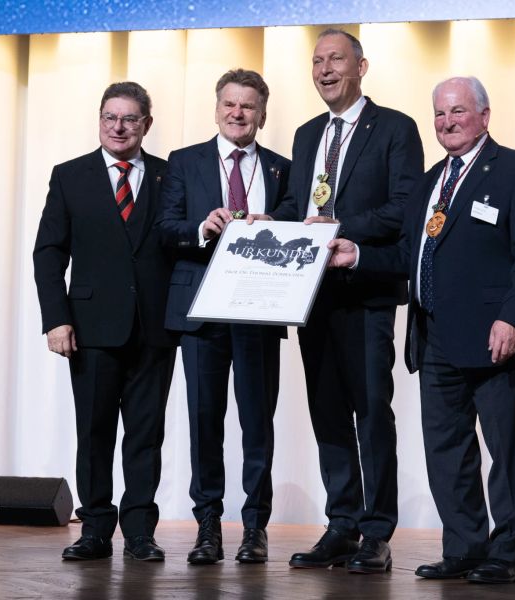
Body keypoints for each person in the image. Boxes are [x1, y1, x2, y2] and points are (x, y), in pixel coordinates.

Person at [328, 76, 515, 584]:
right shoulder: (431, 181)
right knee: (447, 451)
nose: (447, 122)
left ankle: (507, 553)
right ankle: (465, 547)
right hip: (435, 341)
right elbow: (410, 255)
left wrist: (514, 318)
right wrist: (358, 254)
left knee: (506, 451)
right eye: (439, 114)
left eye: (457, 112)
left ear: (484, 115)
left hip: (499, 340)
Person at [256, 29, 424, 574]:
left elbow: (404, 208)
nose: (325, 70)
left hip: (366, 294)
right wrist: (267, 222)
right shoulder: (307, 135)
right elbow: (294, 205)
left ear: (362, 67)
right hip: (311, 297)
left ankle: (377, 531)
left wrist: (338, 227)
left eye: (336, 60)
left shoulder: (395, 129)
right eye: (317, 61)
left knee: (372, 412)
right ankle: (342, 524)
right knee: (327, 412)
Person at [33, 81, 177, 561]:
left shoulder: (168, 175)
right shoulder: (69, 176)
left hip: (155, 328)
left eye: (130, 118)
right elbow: (48, 253)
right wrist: (56, 319)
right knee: (93, 432)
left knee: (145, 433)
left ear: (146, 125)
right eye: (110, 117)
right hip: (90, 329)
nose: (119, 127)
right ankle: (95, 528)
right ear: (99, 120)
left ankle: (139, 531)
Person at [157, 69, 290, 565]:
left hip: (258, 311)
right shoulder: (184, 161)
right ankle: (208, 526)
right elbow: (165, 229)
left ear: (262, 114)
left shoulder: (281, 169)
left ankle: (255, 528)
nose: (238, 113)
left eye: (248, 106)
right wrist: (200, 228)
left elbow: (300, 221)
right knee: (204, 422)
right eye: (230, 104)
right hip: (201, 315)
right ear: (217, 108)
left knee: (258, 423)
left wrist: (277, 225)